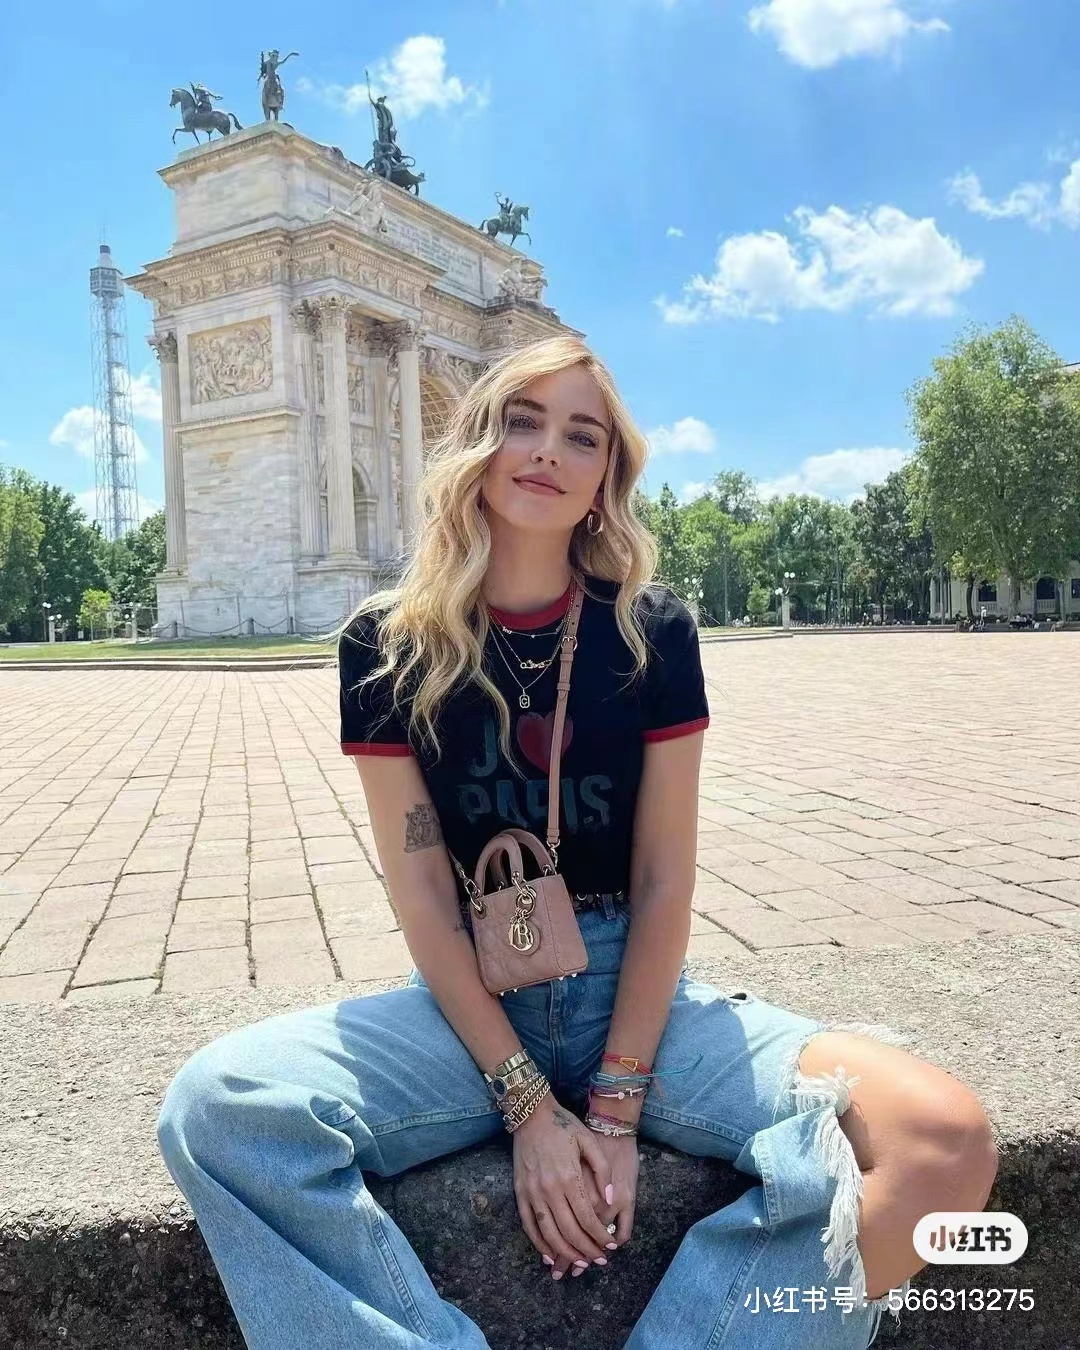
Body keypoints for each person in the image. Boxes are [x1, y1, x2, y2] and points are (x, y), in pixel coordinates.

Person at [155, 336, 998, 1349]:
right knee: (219, 1106)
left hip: (638, 997)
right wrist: (526, 1105)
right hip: (470, 1008)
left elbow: (664, 879)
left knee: (943, 1143)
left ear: (607, 477)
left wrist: (613, 1109)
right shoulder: (386, 645)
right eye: (523, 421)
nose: (549, 449)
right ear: (476, 445)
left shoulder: (651, 630)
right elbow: (423, 897)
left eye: (582, 435)